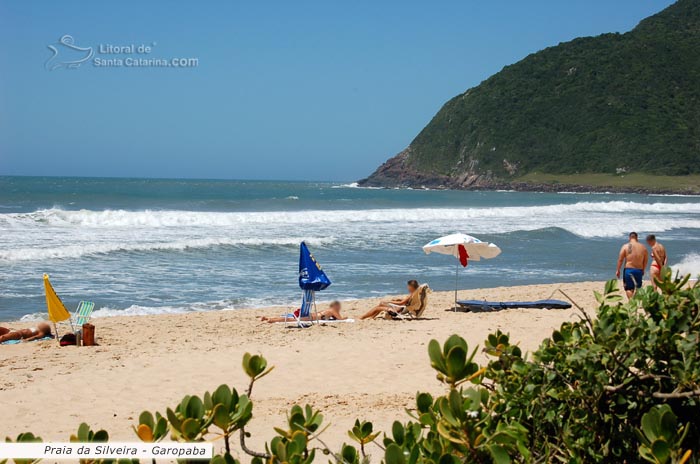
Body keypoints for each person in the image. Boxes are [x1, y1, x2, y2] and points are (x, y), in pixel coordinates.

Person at [616, 232, 649, 299]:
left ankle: (631, 303)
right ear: (637, 238)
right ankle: (635, 302)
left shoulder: (625, 246)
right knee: (638, 288)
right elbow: (645, 260)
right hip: (639, 270)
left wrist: (618, 270)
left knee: (629, 288)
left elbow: (620, 259)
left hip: (629, 270)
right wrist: (643, 269)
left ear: (630, 238)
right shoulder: (643, 247)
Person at [261, 300, 346, 323]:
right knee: (291, 320)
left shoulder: (328, 310)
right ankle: (271, 320)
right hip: (311, 317)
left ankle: (267, 318)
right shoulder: (333, 310)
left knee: (291, 317)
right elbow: (340, 319)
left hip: (311, 315)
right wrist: (346, 318)